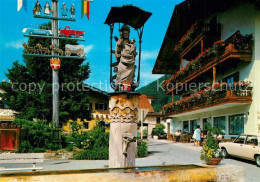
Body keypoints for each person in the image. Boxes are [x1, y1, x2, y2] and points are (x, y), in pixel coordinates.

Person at [115, 24, 137, 91]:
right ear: (122, 33)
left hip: (131, 63)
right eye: (124, 33)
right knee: (120, 75)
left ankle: (130, 84)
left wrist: (133, 49)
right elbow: (118, 52)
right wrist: (119, 44)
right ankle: (119, 84)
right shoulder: (120, 42)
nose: (126, 34)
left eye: (127, 33)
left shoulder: (131, 44)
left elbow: (134, 53)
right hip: (122, 62)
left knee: (130, 77)